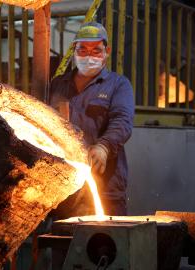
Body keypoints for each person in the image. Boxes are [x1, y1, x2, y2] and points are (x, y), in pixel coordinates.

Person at [50, 22, 134, 216]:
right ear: (74, 50)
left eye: (96, 50)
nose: (89, 56)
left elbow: (122, 120)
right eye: (83, 49)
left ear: (107, 51)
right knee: (64, 243)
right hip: (66, 189)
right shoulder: (58, 85)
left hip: (106, 187)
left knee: (105, 242)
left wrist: (104, 147)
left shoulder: (118, 85)